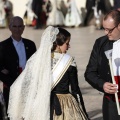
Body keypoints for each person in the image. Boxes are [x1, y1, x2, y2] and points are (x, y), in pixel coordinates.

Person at [7, 26, 89, 120]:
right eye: (67, 43)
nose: (69, 46)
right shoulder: (69, 62)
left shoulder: (39, 61)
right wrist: (84, 112)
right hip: (65, 106)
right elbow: (75, 90)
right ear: (58, 44)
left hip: (41, 105)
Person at [84, 10, 120, 120]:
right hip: (111, 103)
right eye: (104, 28)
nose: (105, 32)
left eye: (109, 30)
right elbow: (90, 73)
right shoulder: (100, 43)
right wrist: (102, 84)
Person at [0, 16, 36, 113]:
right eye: (15, 26)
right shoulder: (3, 46)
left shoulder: (30, 45)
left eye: (20, 26)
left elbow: (35, 65)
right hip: (10, 87)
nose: (17, 29)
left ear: (23, 28)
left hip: (28, 86)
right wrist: (13, 84)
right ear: (10, 27)